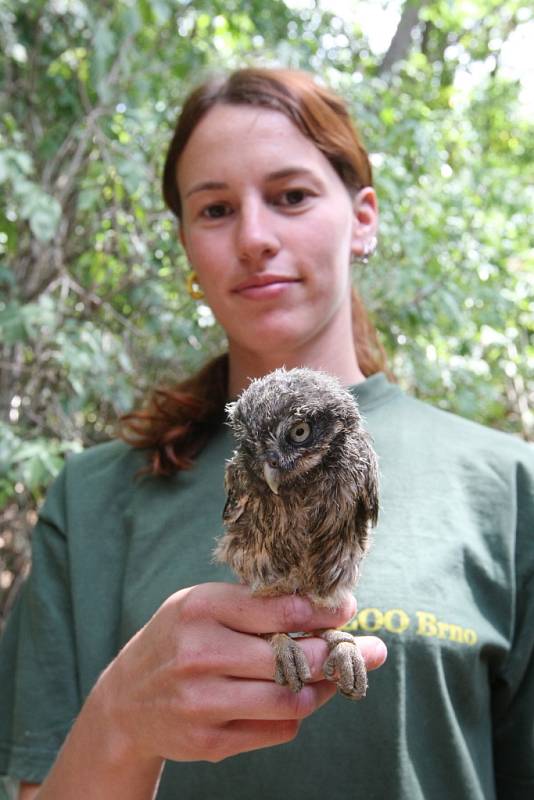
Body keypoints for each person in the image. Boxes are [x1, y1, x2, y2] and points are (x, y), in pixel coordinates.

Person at [0, 67, 532, 800]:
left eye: (291, 196)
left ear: (363, 218)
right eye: (215, 209)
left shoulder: (506, 485)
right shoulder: (94, 501)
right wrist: (123, 717)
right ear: (186, 243)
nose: (254, 237)